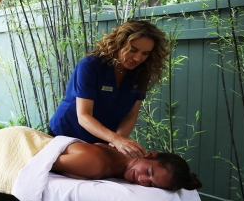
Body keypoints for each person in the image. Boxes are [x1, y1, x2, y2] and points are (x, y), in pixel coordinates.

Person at [49, 20, 171, 159]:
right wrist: (117, 140)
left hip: (102, 141)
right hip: (65, 134)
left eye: (145, 53)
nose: (137, 58)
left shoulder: (141, 73)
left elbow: (131, 115)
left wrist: (115, 144)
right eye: (133, 50)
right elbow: (83, 116)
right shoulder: (90, 66)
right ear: (118, 44)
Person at [52, 141, 202, 191]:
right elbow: (39, 161)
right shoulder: (95, 164)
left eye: (151, 184)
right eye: (148, 171)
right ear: (150, 154)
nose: (141, 179)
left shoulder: (118, 154)